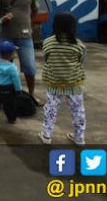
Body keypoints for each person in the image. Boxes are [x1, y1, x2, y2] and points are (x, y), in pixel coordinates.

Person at [38, 12, 86, 146]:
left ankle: (47, 136)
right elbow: (81, 61)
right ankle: (79, 137)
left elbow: (47, 59)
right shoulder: (79, 44)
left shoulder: (48, 42)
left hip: (54, 82)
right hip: (74, 83)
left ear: (55, 25)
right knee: (78, 110)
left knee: (51, 109)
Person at [0, 41, 22, 124]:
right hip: (8, 88)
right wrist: (18, 90)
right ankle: (11, 118)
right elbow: (16, 79)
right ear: (10, 55)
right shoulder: (12, 67)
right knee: (9, 104)